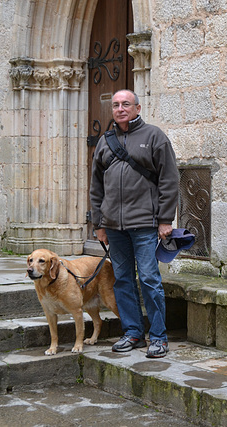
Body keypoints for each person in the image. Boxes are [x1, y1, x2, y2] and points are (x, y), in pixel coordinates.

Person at [90, 89, 179, 358]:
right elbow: (96, 186)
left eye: (126, 104)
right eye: (116, 105)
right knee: (123, 280)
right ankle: (133, 333)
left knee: (150, 279)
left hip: (145, 224)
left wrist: (165, 219)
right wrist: (99, 224)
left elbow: (169, 179)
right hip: (114, 227)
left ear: (138, 108)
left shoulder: (154, 137)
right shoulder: (105, 142)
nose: (120, 109)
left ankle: (159, 338)